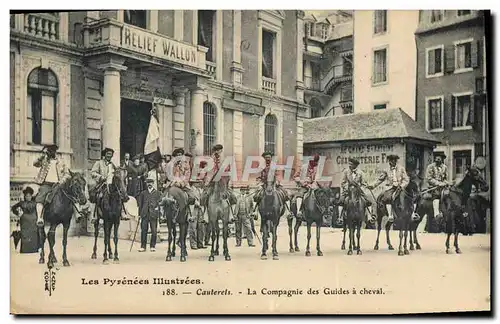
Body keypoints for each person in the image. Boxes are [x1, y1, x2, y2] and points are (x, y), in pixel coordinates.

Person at [32, 144, 87, 225]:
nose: (51, 152)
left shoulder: (61, 161)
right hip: (46, 184)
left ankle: (77, 213)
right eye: (49, 151)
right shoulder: (44, 160)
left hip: (58, 184)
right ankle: (40, 218)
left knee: (70, 195)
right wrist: (42, 156)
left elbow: (67, 174)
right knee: (40, 198)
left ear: (55, 151)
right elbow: (35, 164)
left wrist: (61, 181)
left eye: (53, 150)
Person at [90, 148, 127, 222]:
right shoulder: (99, 163)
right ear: (105, 154)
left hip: (112, 184)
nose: (109, 156)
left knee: (120, 194)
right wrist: (101, 177)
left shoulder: (113, 165)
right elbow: (93, 173)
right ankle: (95, 215)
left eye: (111, 154)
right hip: (103, 183)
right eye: (108, 154)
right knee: (98, 195)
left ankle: (122, 212)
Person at [368, 154, 409, 222]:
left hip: (401, 187)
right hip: (391, 187)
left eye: (391, 161)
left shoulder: (401, 168)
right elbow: (380, 179)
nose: (390, 162)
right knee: (384, 197)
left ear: (395, 161)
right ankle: (389, 215)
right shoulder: (386, 169)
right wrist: (372, 185)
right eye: (389, 161)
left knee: (409, 198)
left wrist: (402, 186)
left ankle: (412, 214)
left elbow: (406, 179)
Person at [337, 158, 374, 223]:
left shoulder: (360, 172)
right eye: (349, 164)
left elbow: (363, 183)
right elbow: (343, 182)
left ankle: (370, 217)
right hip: (348, 190)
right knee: (341, 200)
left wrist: (361, 187)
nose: (349, 165)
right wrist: (346, 187)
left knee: (368, 201)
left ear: (355, 165)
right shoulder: (346, 171)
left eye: (351, 164)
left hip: (358, 190)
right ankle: (340, 218)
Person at [422, 152, 452, 219]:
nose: (438, 159)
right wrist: (438, 183)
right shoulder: (430, 167)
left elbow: (446, 178)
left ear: (442, 159)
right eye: (437, 158)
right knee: (437, 195)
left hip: (443, 187)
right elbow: (429, 178)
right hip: (433, 187)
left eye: (440, 158)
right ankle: (436, 213)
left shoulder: (445, 167)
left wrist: (446, 183)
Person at [292, 154, 320, 219]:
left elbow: (317, 178)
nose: (314, 164)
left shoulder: (316, 169)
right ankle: (299, 211)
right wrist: (303, 183)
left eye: (316, 162)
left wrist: (313, 184)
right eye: (313, 162)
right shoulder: (303, 167)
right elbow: (295, 177)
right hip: (303, 186)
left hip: (312, 187)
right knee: (300, 196)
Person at [11, 186, 39, 253]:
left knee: (34, 234)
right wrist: (18, 213)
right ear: (25, 196)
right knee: (25, 235)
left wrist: (38, 217)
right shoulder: (21, 203)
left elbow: (38, 210)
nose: (28, 197)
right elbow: (13, 208)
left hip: (33, 221)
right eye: (27, 196)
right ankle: (25, 250)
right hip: (24, 221)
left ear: (31, 196)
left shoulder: (34, 203)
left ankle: (34, 249)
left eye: (29, 196)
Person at [137, 177, 161, 252]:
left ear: (153, 184)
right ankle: (143, 246)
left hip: (153, 214)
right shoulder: (143, 193)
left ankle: (152, 246)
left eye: (151, 183)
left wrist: (158, 211)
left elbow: (160, 203)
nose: (149, 184)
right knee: (144, 230)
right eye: (148, 183)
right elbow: (140, 205)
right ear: (146, 184)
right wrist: (139, 214)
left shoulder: (157, 193)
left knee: (154, 231)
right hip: (145, 214)